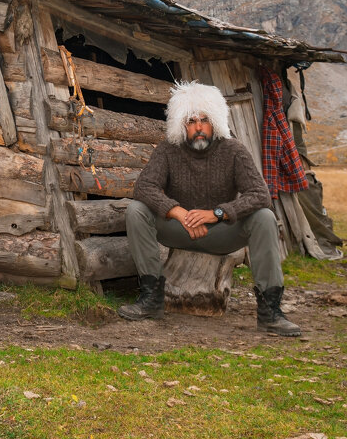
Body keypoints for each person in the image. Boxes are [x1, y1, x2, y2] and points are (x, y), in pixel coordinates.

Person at [118, 81, 300, 336]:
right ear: (182, 124)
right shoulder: (168, 150)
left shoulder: (233, 150)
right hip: (178, 230)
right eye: (191, 121)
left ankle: (271, 312)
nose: (199, 127)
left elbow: (260, 195)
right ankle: (151, 300)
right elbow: (144, 188)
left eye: (204, 119)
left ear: (215, 121)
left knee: (264, 217)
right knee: (136, 210)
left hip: (222, 233)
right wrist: (179, 212)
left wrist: (217, 214)